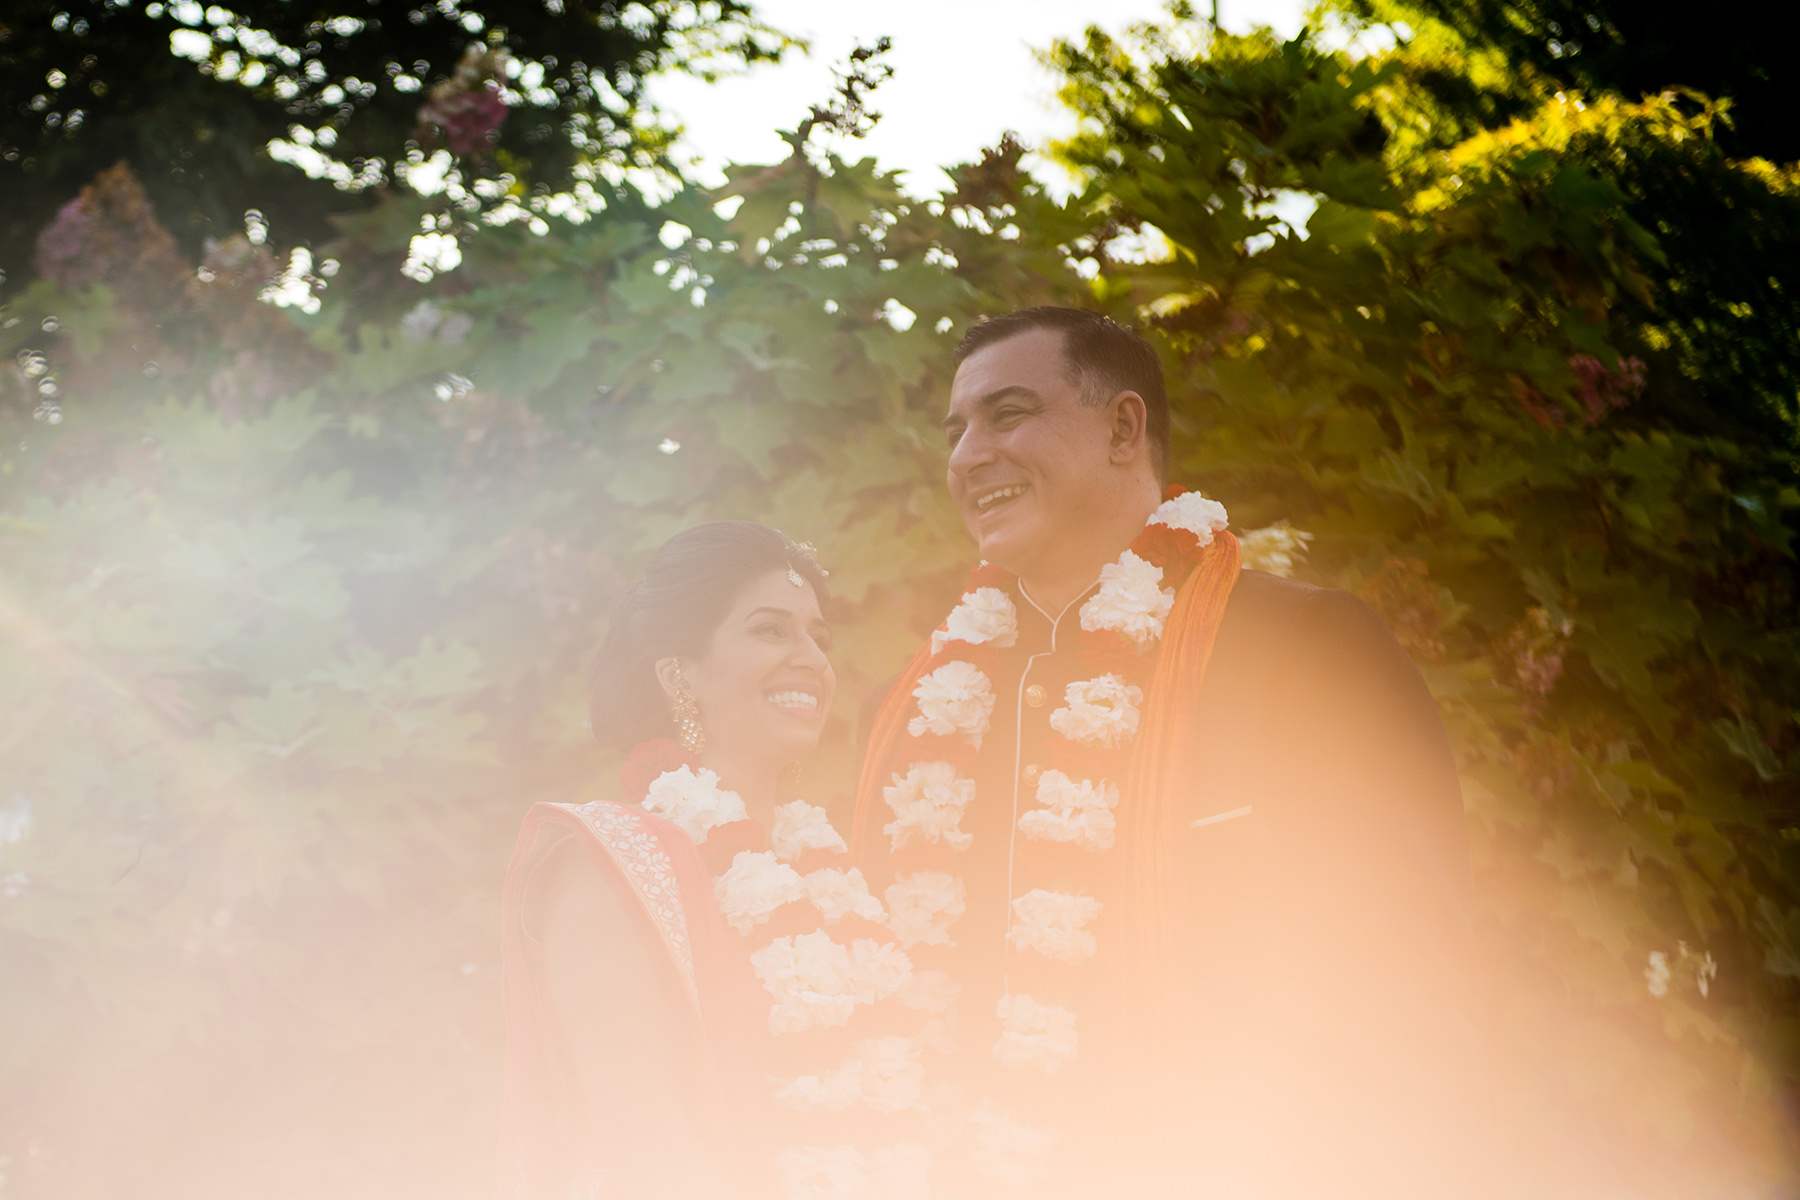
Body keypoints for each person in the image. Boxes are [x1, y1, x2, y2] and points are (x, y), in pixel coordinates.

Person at [850, 307, 1484, 1198]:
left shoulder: (1298, 650)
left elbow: (1415, 991)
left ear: (1123, 427)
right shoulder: (918, 712)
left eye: (1008, 414)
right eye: (956, 431)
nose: (967, 455)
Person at [497, 520, 843, 1199]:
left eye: (820, 636)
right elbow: (645, 1138)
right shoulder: (611, 863)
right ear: (679, 675)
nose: (811, 657)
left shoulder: (833, 878)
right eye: (772, 630)